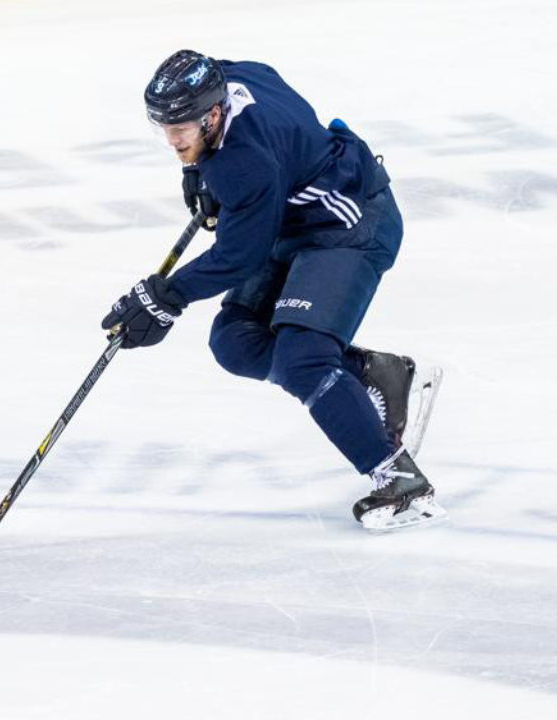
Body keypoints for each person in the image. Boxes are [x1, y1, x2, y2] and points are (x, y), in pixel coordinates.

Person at [101, 50, 445, 532]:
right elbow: (233, 71)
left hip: (349, 224)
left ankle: (401, 482)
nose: (172, 140)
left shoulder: (245, 164)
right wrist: (196, 171)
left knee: (302, 359)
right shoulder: (230, 78)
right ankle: (375, 374)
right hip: (291, 218)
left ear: (213, 114)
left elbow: (239, 257)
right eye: (164, 129)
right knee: (236, 342)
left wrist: (165, 297)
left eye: (180, 130)